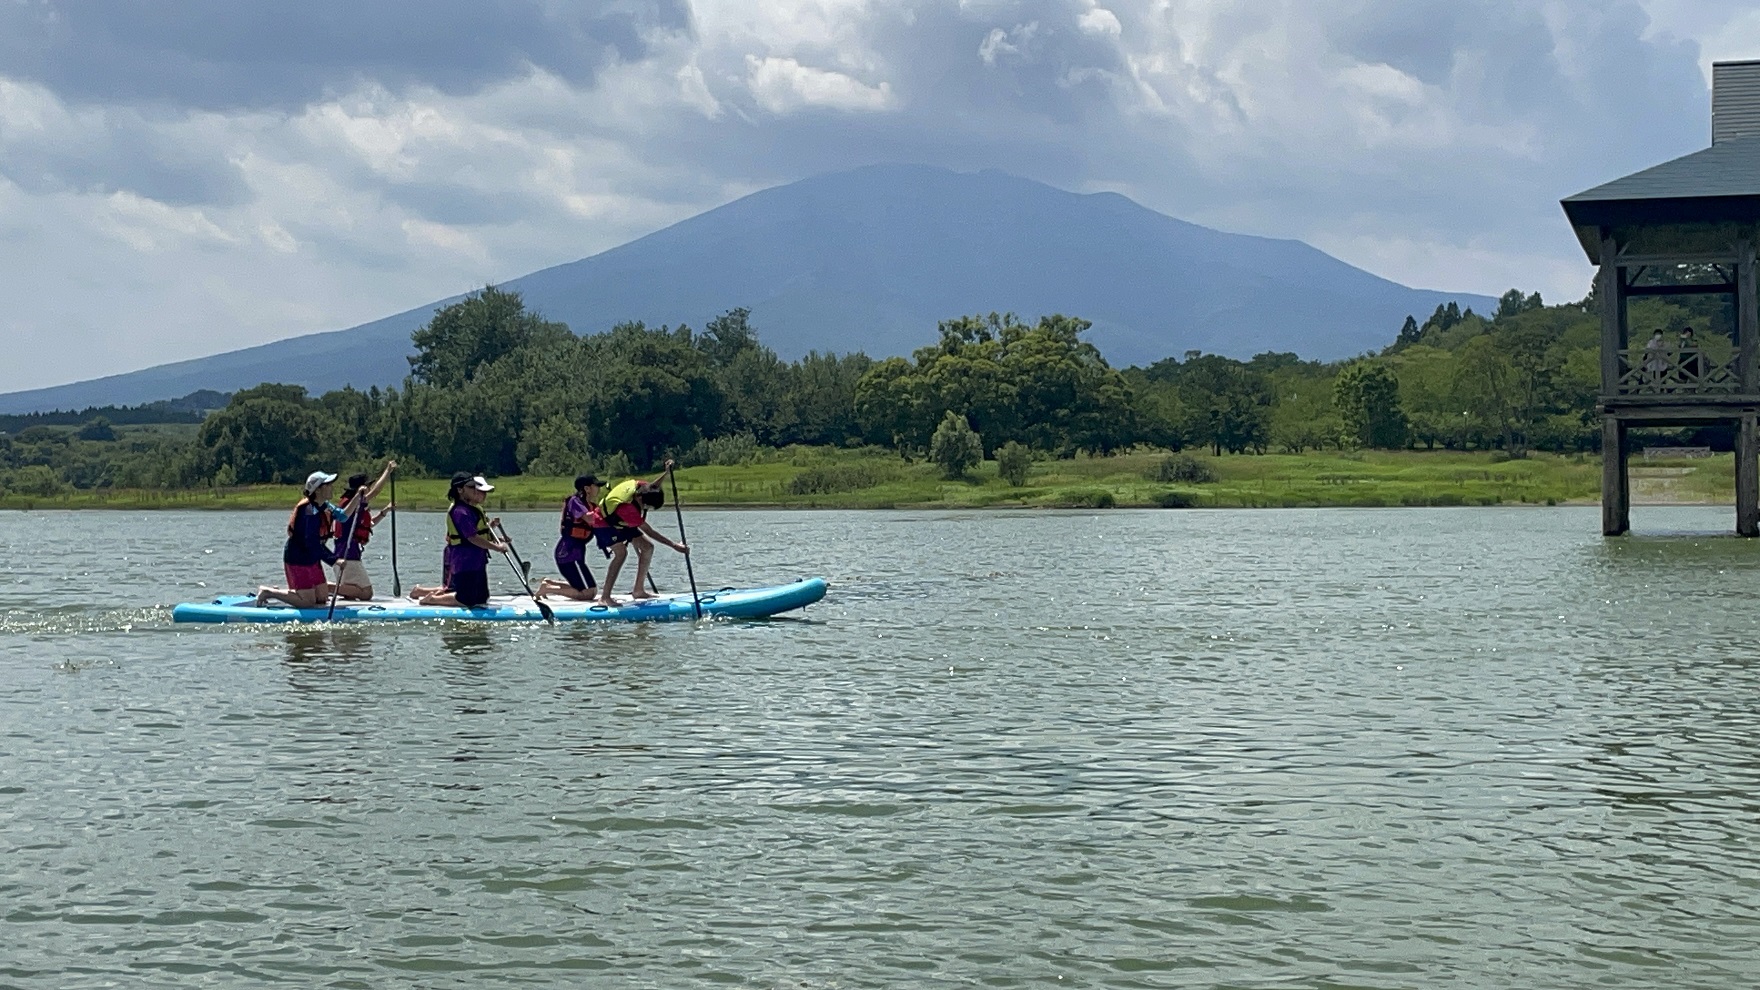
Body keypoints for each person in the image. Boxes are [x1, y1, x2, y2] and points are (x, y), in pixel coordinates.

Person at [593, 461, 688, 605]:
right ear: (640, 499)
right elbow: (649, 531)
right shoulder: (629, 509)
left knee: (648, 547)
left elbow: (654, 486)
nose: (646, 508)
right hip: (604, 524)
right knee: (621, 553)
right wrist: (674, 545)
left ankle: (638, 590)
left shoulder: (643, 488)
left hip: (622, 523)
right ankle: (605, 597)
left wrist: (666, 473)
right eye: (647, 506)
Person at [416, 473, 508, 609]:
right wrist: (497, 547)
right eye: (471, 487)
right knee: (466, 600)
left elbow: (479, 533)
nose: (475, 490)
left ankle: (442, 596)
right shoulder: (459, 512)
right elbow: (472, 537)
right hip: (464, 560)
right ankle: (432, 599)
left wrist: (497, 540)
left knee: (482, 598)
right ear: (460, 490)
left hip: (478, 559)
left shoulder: (472, 509)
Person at [255, 470, 340, 608]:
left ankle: (290, 593)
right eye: (327, 485)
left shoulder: (320, 507)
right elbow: (311, 543)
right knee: (308, 602)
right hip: (298, 559)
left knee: (322, 597)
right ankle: (268, 592)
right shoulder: (308, 510)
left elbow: (341, 517)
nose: (331, 487)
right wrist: (334, 560)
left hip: (311, 558)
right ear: (317, 490)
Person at [331, 460, 397, 601]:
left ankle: (330, 588)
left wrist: (384, 512)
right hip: (348, 553)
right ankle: (326, 587)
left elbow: (368, 524)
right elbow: (376, 491)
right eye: (367, 485)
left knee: (353, 593)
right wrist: (388, 471)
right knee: (366, 593)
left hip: (343, 553)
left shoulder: (353, 504)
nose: (369, 488)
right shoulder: (352, 502)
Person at [537, 474, 602, 601]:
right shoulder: (575, 501)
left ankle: (549, 583)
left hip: (577, 551)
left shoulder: (592, 506)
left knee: (590, 590)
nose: (599, 489)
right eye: (596, 486)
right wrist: (604, 513)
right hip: (568, 553)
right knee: (588, 593)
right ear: (587, 489)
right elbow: (589, 518)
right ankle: (547, 589)